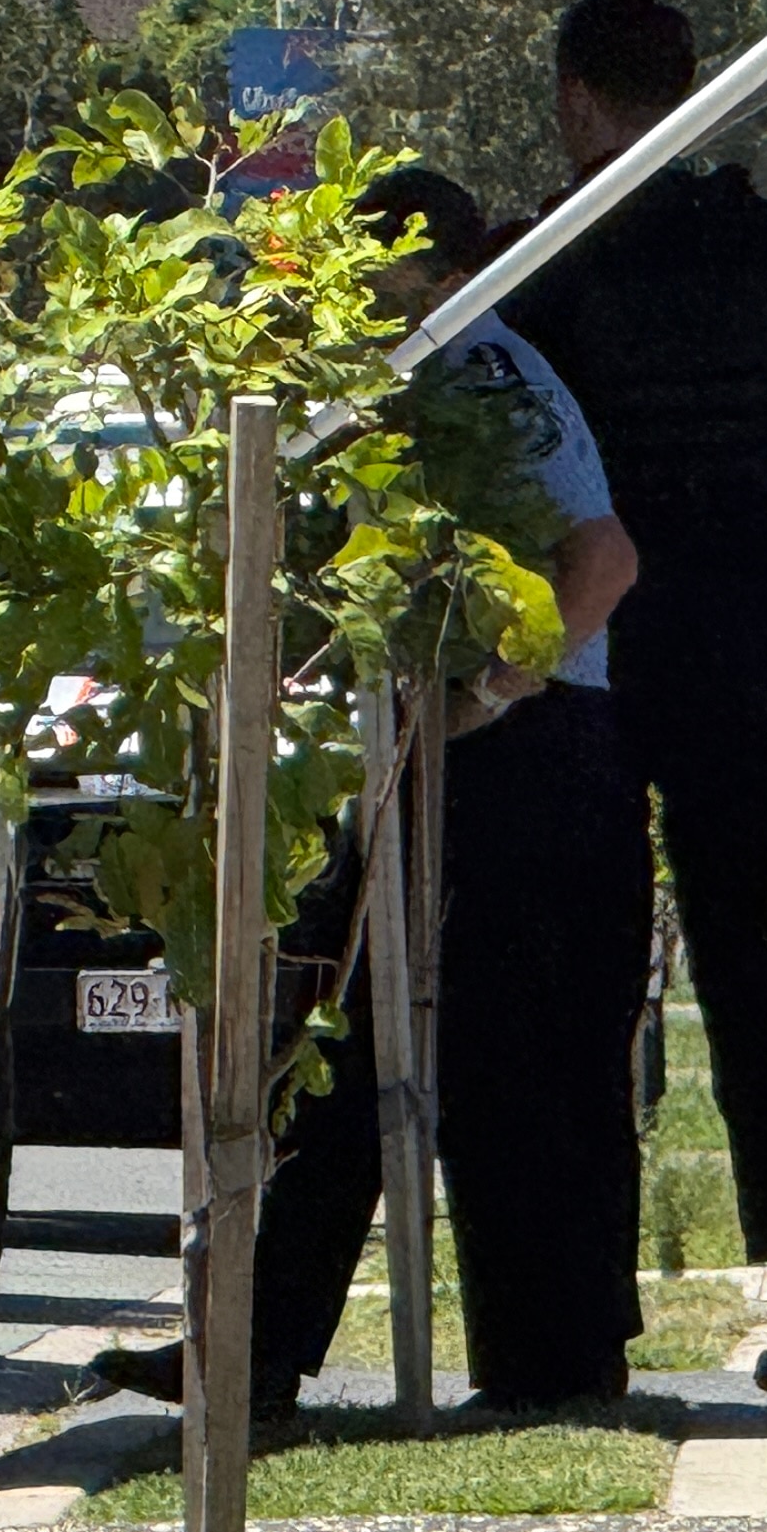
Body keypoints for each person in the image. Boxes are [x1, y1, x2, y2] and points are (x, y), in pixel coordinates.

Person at [101, 165, 650, 1417]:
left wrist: (485, 699)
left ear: (436, 270)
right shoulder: (396, 369)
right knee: (335, 1043)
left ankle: (549, 1371)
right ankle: (249, 1348)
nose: (348, 296)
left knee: (510, 1067)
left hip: (526, 747)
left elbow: (603, 562)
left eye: (370, 270)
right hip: (435, 742)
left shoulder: (479, 372)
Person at [507, 0, 767, 1399]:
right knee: (747, 957)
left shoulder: (550, 259)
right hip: (741, 630)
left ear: (574, 100)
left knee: (587, 973)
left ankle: (580, 1313)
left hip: (600, 641)